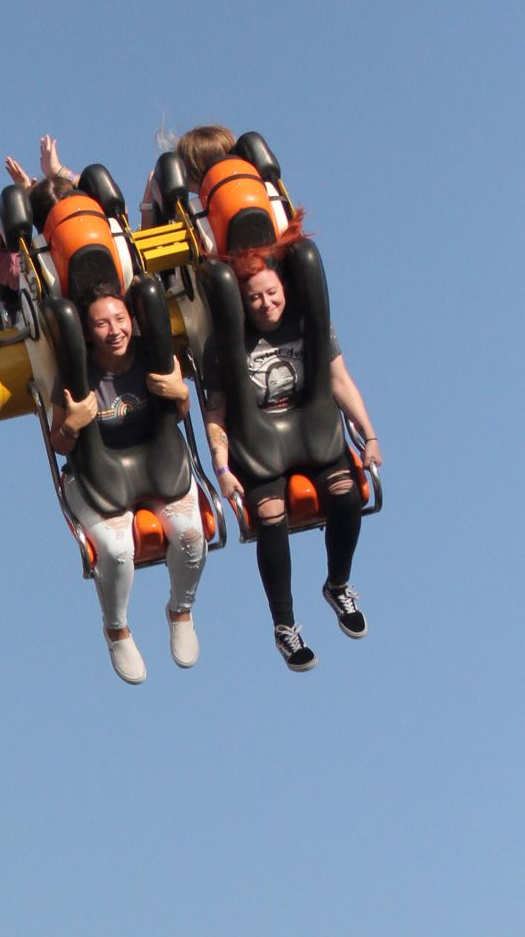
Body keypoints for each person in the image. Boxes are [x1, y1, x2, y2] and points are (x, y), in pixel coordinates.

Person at [201, 236, 381, 670]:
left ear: (285, 288)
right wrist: (221, 467)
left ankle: (338, 584)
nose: (265, 304)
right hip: (259, 439)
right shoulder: (221, 346)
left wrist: (369, 435)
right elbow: (216, 414)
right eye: (254, 298)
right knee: (271, 514)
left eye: (272, 293)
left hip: (309, 424)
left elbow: (339, 381)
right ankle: (285, 625)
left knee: (345, 491)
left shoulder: (308, 324)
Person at [48, 289, 205, 684]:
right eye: (101, 323)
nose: (113, 330)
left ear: (133, 321)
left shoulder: (153, 354)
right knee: (118, 550)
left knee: (189, 535)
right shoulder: (74, 374)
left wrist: (182, 393)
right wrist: (74, 421)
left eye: (120, 319)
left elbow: (180, 412)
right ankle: (117, 629)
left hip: (156, 462)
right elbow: (59, 442)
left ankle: (180, 611)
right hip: (100, 474)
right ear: (86, 332)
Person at [0, 135, 78, 306]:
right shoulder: (112, 240)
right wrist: (59, 171)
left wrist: (21, 203)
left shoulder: (30, 267)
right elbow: (114, 205)